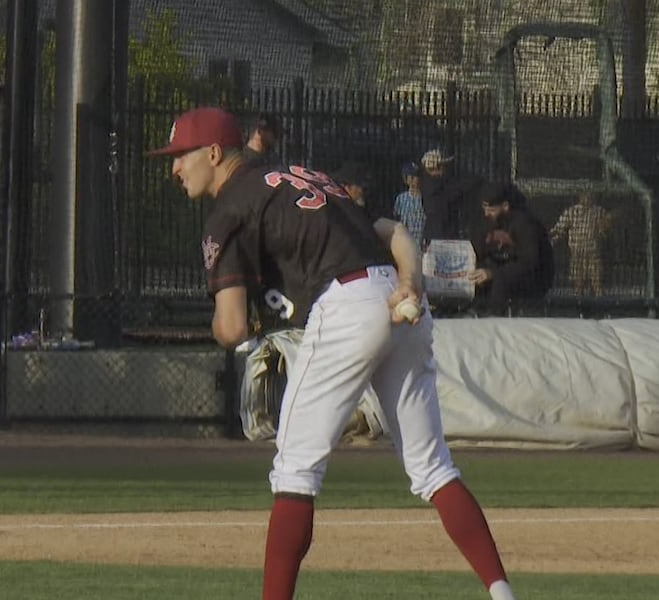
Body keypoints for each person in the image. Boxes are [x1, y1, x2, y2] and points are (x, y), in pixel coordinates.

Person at [149, 107, 519, 600]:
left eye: (181, 155)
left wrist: (227, 326)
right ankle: (502, 593)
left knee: (295, 471)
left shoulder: (228, 212)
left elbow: (232, 326)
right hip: (397, 300)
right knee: (433, 468)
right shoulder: (305, 177)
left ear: (214, 154)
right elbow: (395, 233)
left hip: (347, 307)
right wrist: (410, 282)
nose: (175, 168)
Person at [469, 181, 554, 314]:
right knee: (477, 275)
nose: (486, 214)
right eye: (485, 209)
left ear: (505, 206)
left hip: (534, 278)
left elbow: (530, 262)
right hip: (504, 268)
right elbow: (478, 249)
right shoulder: (488, 221)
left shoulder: (525, 223)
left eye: (491, 210)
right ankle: (472, 312)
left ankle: (495, 318)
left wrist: (493, 273)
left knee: (500, 280)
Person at [549, 191, 611, 297]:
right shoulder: (571, 211)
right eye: (585, 195)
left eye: (590, 195)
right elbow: (559, 229)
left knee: (597, 285)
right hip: (577, 253)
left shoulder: (599, 211)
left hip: (593, 254)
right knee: (578, 286)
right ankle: (579, 304)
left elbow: (604, 232)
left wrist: (605, 227)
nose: (588, 197)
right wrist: (552, 239)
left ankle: (600, 303)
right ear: (580, 196)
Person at [419, 148, 482, 245]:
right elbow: (459, 189)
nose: (447, 169)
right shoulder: (435, 186)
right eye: (444, 166)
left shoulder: (433, 183)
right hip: (439, 236)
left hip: (437, 234)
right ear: (437, 168)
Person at [393, 161, 425, 249]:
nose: (414, 179)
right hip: (405, 244)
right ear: (406, 179)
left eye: (417, 176)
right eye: (411, 176)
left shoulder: (425, 198)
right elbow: (397, 219)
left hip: (421, 244)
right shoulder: (401, 198)